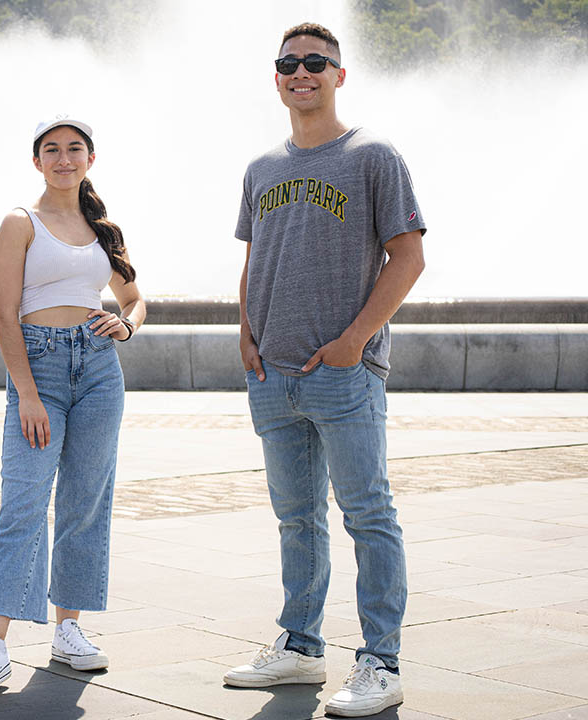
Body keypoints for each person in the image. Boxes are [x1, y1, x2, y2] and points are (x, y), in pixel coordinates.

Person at [223, 22, 426, 718]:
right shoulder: (261, 168)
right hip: (271, 374)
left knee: (368, 514)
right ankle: (301, 645)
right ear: (276, 77)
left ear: (339, 75)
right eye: (289, 63)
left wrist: (354, 342)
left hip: (344, 373)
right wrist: (246, 334)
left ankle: (381, 662)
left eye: (316, 62)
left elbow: (408, 256)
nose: (301, 72)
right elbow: (254, 259)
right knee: (296, 519)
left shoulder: (373, 155)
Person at [0, 116, 145, 702]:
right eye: (53, 150)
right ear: (37, 161)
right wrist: (28, 393)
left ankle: (69, 629)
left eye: (75, 149)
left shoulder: (103, 228)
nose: (65, 158)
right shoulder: (20, 223)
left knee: (86, 502)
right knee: (23, 504)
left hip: (99, 369)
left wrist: (126, 326)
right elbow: (4, 314)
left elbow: (135, 298)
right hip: (38, 367)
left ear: (91, 158)